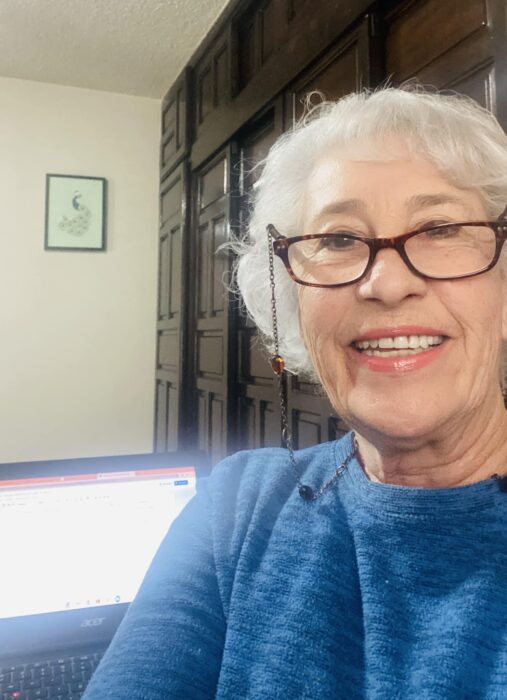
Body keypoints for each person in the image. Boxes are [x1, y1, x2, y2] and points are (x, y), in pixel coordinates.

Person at [82, 87, 507, 699]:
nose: (387, 284)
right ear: (291, 295)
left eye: (439, 227)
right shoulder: (237, 508)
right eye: (337, 239)